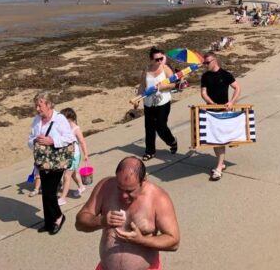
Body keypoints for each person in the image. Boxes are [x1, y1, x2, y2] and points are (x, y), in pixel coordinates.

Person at [75, 156, 180, 270]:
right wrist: (101, 221)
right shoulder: (105, 187)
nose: (124, 196)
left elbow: (174, 242)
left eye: (130, 191)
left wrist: (142, 240)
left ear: (143, 181)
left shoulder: (158, 198)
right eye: (120, 188)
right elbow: (79, 223)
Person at [27, 91, 76, 235]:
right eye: (36, 106)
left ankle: (59, 217)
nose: (37, 109)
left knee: (49, 192)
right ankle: (48, 222)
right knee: (45, 193)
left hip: (57, 160)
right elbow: (30, 141)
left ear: (49, 105)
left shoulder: (60, 119)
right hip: (43, 160)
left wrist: (52, 141)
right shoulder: (36, 120)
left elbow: (70, 138)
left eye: (39, 105)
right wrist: (35, 141)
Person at [200, 52, 241, 181]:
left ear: (214, 61)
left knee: (220, 140)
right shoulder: (205, 76)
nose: (205, 65)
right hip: (210, 111)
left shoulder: (225, 74)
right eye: (204, 63)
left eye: (207, 62)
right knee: (213, 139)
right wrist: (211, 103)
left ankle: (218, 169)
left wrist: (232, 102)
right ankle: (221, 163)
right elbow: (203, 93)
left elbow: (237, 88)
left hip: (224, 111)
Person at [138, 47, 178, 162]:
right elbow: (142, 85)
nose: (159, 61)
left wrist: (162, 86)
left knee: (161, 127)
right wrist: (138, 98)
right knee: (149, 128)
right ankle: (150, 151)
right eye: (157, 59)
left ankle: (172, 141)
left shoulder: (165, 69)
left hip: (163, 102)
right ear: (151, 59)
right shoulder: (146, 70)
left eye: (161, 58)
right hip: (149, 103)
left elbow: (174, 84)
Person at [59, 107, 89, 205]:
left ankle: (63, 198)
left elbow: (82, 142)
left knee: (66, 176)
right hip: (67, 155)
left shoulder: (76, 128)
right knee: (74, 173)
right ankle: (81, 187)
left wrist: (86, 154)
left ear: (70, 118)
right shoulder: (64, 128)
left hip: (74, 155)